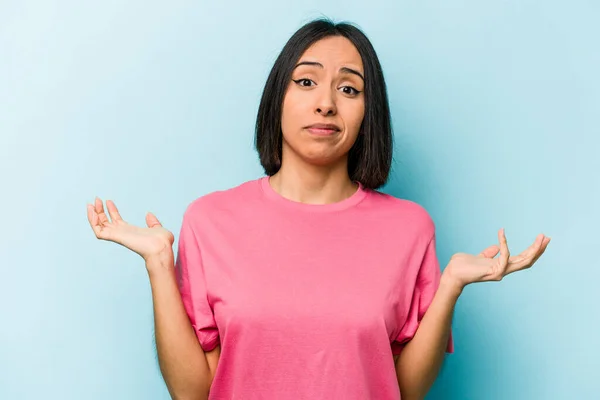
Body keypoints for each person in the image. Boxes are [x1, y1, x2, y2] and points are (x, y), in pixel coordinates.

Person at [87, 17, 551, 400]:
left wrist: (449, 286)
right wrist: (156, 265)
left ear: (369, 112)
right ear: (278, 99)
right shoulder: (210, 221)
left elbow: (402, 390)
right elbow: (193, 392)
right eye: (306, 81)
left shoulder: (409, 228)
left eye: (349, 90)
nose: (326, 103)